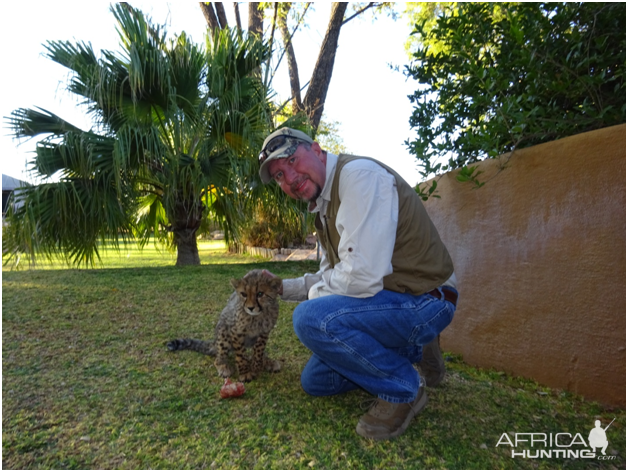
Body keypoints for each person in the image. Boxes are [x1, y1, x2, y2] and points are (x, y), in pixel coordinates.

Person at [257, 127, 458, 440]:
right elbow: (331, 274)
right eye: (280, 175)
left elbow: (359, 278)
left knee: (310, 319)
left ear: (317, 149)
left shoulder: (359, 177)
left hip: (426, 299)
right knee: (316, 382)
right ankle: (413, 349)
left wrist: (313, 300)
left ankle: (405, 388)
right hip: (387, 301)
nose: (290, 177)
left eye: (292, 160)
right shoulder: (322, 210)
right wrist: (284, 287)